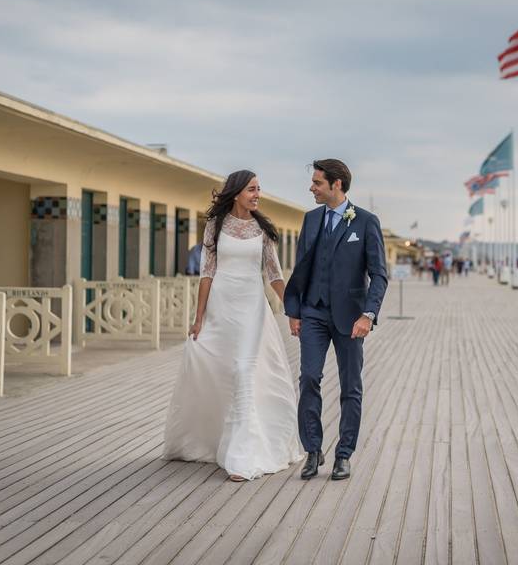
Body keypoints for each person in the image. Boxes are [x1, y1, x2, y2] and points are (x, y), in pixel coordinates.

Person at [162, 170, 303, 482]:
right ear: (237, 192)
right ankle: (212, 440)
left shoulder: (264, 228)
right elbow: (207, 274)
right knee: (221, 369)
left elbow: (275, 274)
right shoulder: (216, 225)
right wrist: (199, 318)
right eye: (252, 189)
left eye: (259, 189)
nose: (257, 194)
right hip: (221, 307)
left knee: (244, 370)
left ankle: (242, 455)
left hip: (253, 307)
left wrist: (294, 308)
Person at [284, 159, 388, 481]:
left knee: (350, 386)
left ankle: (344, 454)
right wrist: (295, 310)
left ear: (336, 185)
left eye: (317, 183)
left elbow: (379, 275)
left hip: (350, 317)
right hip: (313, 311)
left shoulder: (366, 222)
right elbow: (302, 268)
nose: (311, 188)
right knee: (309, 378)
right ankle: (313, 451)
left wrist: (368, 315)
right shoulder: (311, 219)